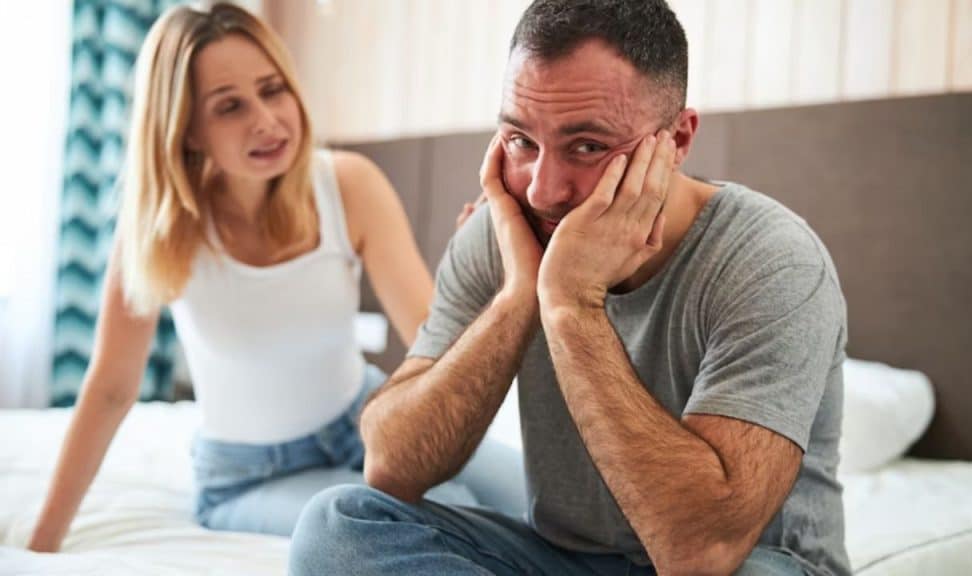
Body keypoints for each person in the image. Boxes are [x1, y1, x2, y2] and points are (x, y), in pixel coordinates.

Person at [289, 0, 850, 575]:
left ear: (677, 140)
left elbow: (700, 553)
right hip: (565, 561)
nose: (542, 191)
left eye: (587, 146)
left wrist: (570, 305)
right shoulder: (506, 232)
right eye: (520, 141)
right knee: (339, 528)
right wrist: (518, 296)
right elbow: (391, 466)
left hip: (747, 564)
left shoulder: (770, 260)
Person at [27, 2, 475, 551]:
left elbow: (435, 346)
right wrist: (41, 542)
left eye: (272, 89)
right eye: (229, 106)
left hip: (366, 419)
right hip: (251, 477)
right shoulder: (160, 231)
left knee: (527, 502)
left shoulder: (348, 185)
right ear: (186, 130)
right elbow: (112, 389)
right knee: (437, 515)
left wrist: (477, 277)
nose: (266, 119)